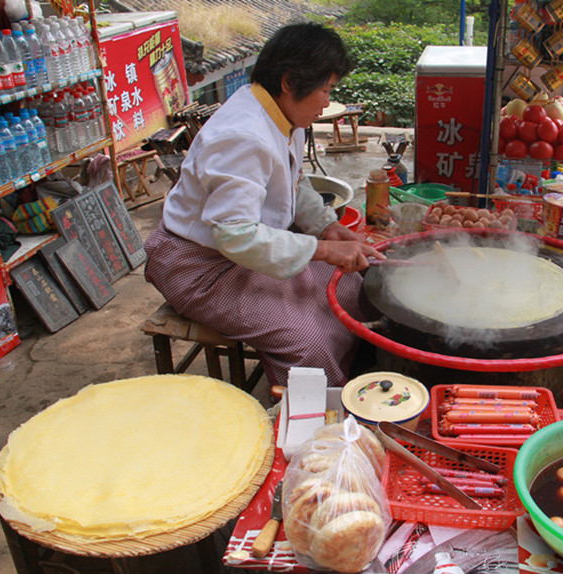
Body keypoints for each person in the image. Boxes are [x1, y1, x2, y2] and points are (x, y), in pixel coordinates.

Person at [143, 23, 384, 387]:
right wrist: (322, 248)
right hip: (197, 267)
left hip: (244, 248)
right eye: (325, 89)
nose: (326, 101)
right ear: (289, 82)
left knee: (350, 288)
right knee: (310, 343)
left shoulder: (285, 114)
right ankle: (315, 432)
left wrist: (325, 226)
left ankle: (352, 379)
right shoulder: (242, 135)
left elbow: (291, 181)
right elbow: (235, 236)